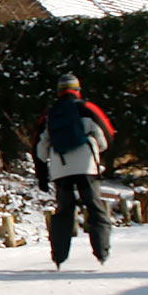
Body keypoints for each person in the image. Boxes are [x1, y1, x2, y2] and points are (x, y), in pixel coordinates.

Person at [35, 73, 114, 268]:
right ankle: (101, 252)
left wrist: (42, 175)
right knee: (95, 208)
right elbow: (107, 136)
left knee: (63, 212)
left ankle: (59, 257)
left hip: (61, 169)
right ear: (78, 90)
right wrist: (95, 149)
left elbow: (39, 146)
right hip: (87, 167)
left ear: (59, 92)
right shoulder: (87, 108)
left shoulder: (49, 113)